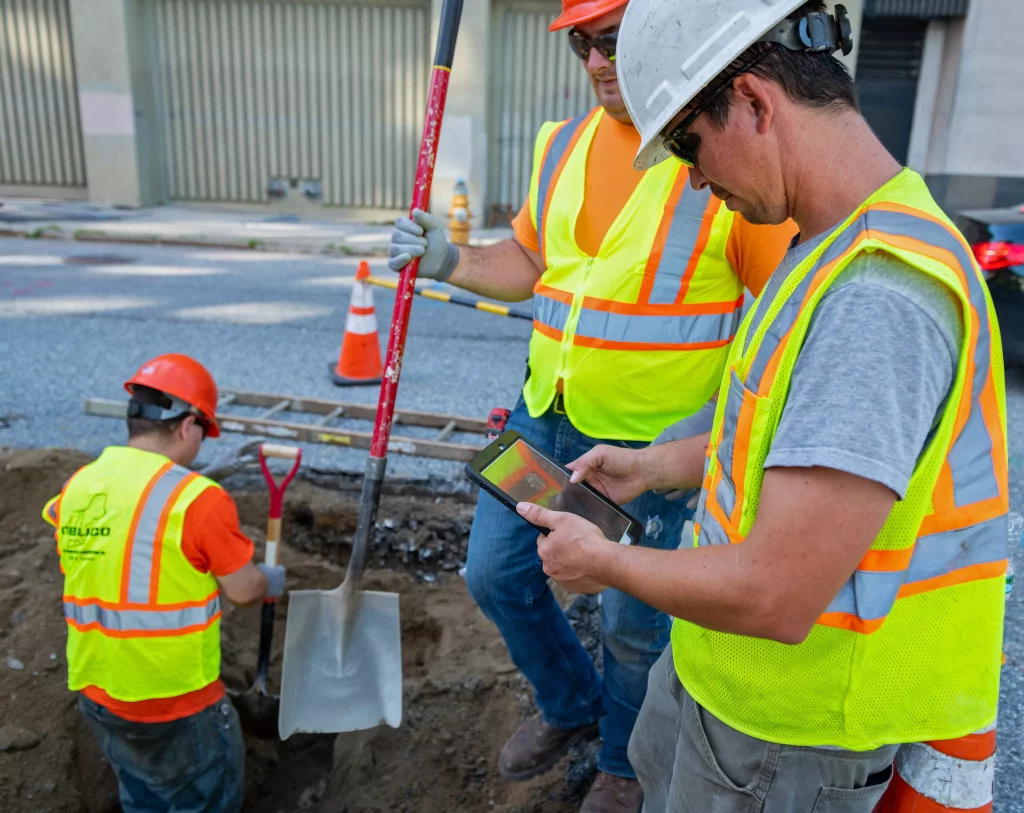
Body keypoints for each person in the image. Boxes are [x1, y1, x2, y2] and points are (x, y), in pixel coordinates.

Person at [518, 1, 1010, 811]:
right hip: (726, 685)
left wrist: (601, 562)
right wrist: (650, 465)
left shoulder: (876, 295)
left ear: (752, 101)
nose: (694, 179)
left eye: (686, 145)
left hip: (789, 732)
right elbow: (779, 427)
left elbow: (779, 592)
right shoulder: (827, 239)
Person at [389, 0, 794, 809]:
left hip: (655, 447)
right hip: (546, 410)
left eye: (612, 41)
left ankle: (622, 760)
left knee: (635, 626)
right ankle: (571, 705)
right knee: (495, 573)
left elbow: (780, 320)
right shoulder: (562, 144)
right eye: (583, 44)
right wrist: (447, 257)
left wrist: (703, 442)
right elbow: (531, 262)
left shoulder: (718, 153)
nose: (598, 62)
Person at [42, 354, 286, 813]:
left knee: (143, 797)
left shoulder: (79, 485)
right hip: (175, 703)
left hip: (98, 693)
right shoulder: (199, 500)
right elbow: (241, 589)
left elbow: (113, 521)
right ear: (189, 425)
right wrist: (268, 578)